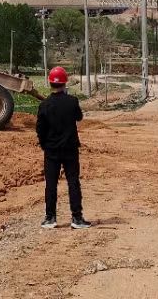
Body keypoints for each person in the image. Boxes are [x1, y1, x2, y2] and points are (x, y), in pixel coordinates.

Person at [36, 65, 91, 230]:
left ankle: (50, 218)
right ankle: (76, 217)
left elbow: (40, 129)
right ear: (65, 83)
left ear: (50, 83)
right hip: (70, 149)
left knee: (51, 184)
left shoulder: (44, 105)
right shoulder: (72, 102)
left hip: (51, 150)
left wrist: (45, 145)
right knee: (73, 182)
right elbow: (79, 117)